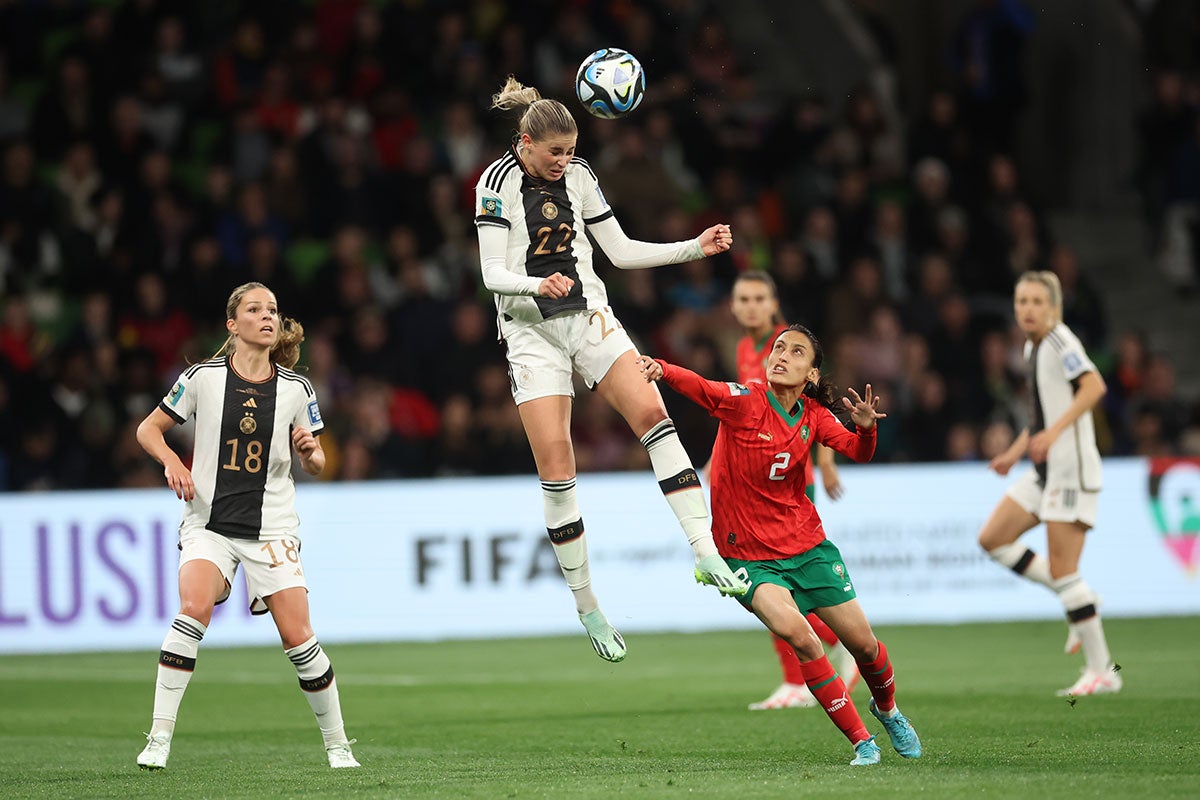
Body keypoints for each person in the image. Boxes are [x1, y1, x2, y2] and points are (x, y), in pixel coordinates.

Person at [474, 76, 748, 663]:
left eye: (571, 151)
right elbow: (491, 273)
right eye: (555, 152)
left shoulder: (580, 177)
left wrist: (693, 248)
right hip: (529, 329)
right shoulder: (493, 185)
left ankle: (705, 551)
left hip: (589, 315)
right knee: (557, 462)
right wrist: (535, 283)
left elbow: (619, 251)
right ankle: (587, 604)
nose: (565, 161)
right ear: (524, 143)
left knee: (653, 411)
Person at [639, 325, 922, 766]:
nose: (781, 356)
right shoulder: (745, 400)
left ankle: (888, 710)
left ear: (811, 373)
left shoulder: (813, 414)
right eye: (778, 348)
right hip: (748, 557)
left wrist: (866, 430)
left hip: (808, 549)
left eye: (796, 352)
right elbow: (704, 388)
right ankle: (862, 742)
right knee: (802, 638)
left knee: (865, 647)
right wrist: (662, 368)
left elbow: (857, 450)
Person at [133, 282, 359, 770]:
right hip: (209, 524)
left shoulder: (297, 388)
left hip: (272, 528)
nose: (267, 316)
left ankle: (338, 745)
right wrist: (173, 462)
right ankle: (158, 738)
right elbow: (147, 429)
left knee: (299, 638)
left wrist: (310, 453)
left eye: (273, 310)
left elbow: (318, 461)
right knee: (193, 607)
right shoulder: (201, 378)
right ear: (232, 325)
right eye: (255, 309)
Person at [977, 271, 1120, 696]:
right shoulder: (1031, 346)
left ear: (1054, 308)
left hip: (1071, 469)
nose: (1028, 310)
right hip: (1043, 471)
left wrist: (1055, 432)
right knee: (993, 539)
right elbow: (1039, 415)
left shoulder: (1060, 341)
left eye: (1038, 302)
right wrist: (1016, 450)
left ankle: (1103, 671)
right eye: (1022, 301)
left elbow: (1094, 386)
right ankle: (1081, 599)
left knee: (1064, 570)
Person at [726, 272, 860, 710]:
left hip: (788, 487)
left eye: (759, 298)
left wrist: (826, 461)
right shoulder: (747, 348)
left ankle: (806, 675)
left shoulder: (782, 349)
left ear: (773, 304)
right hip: (757, 483)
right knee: (776, 591)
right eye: (743, 298)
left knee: (777, 585)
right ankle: (815, 668)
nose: (750, 306)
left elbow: (814, 406)